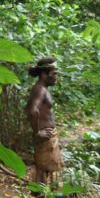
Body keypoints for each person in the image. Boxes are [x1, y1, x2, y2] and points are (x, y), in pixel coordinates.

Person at [25, 57, 64, 185]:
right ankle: (41, 196)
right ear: (43, 74)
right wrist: (38, 132)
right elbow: (32, 110)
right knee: (42, 170)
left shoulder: (43, 89)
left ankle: (47, 196)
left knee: (48, 170)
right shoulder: (39, 89)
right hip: (44, 137)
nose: (56, 76)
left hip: (49, 137)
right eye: (54, 73)